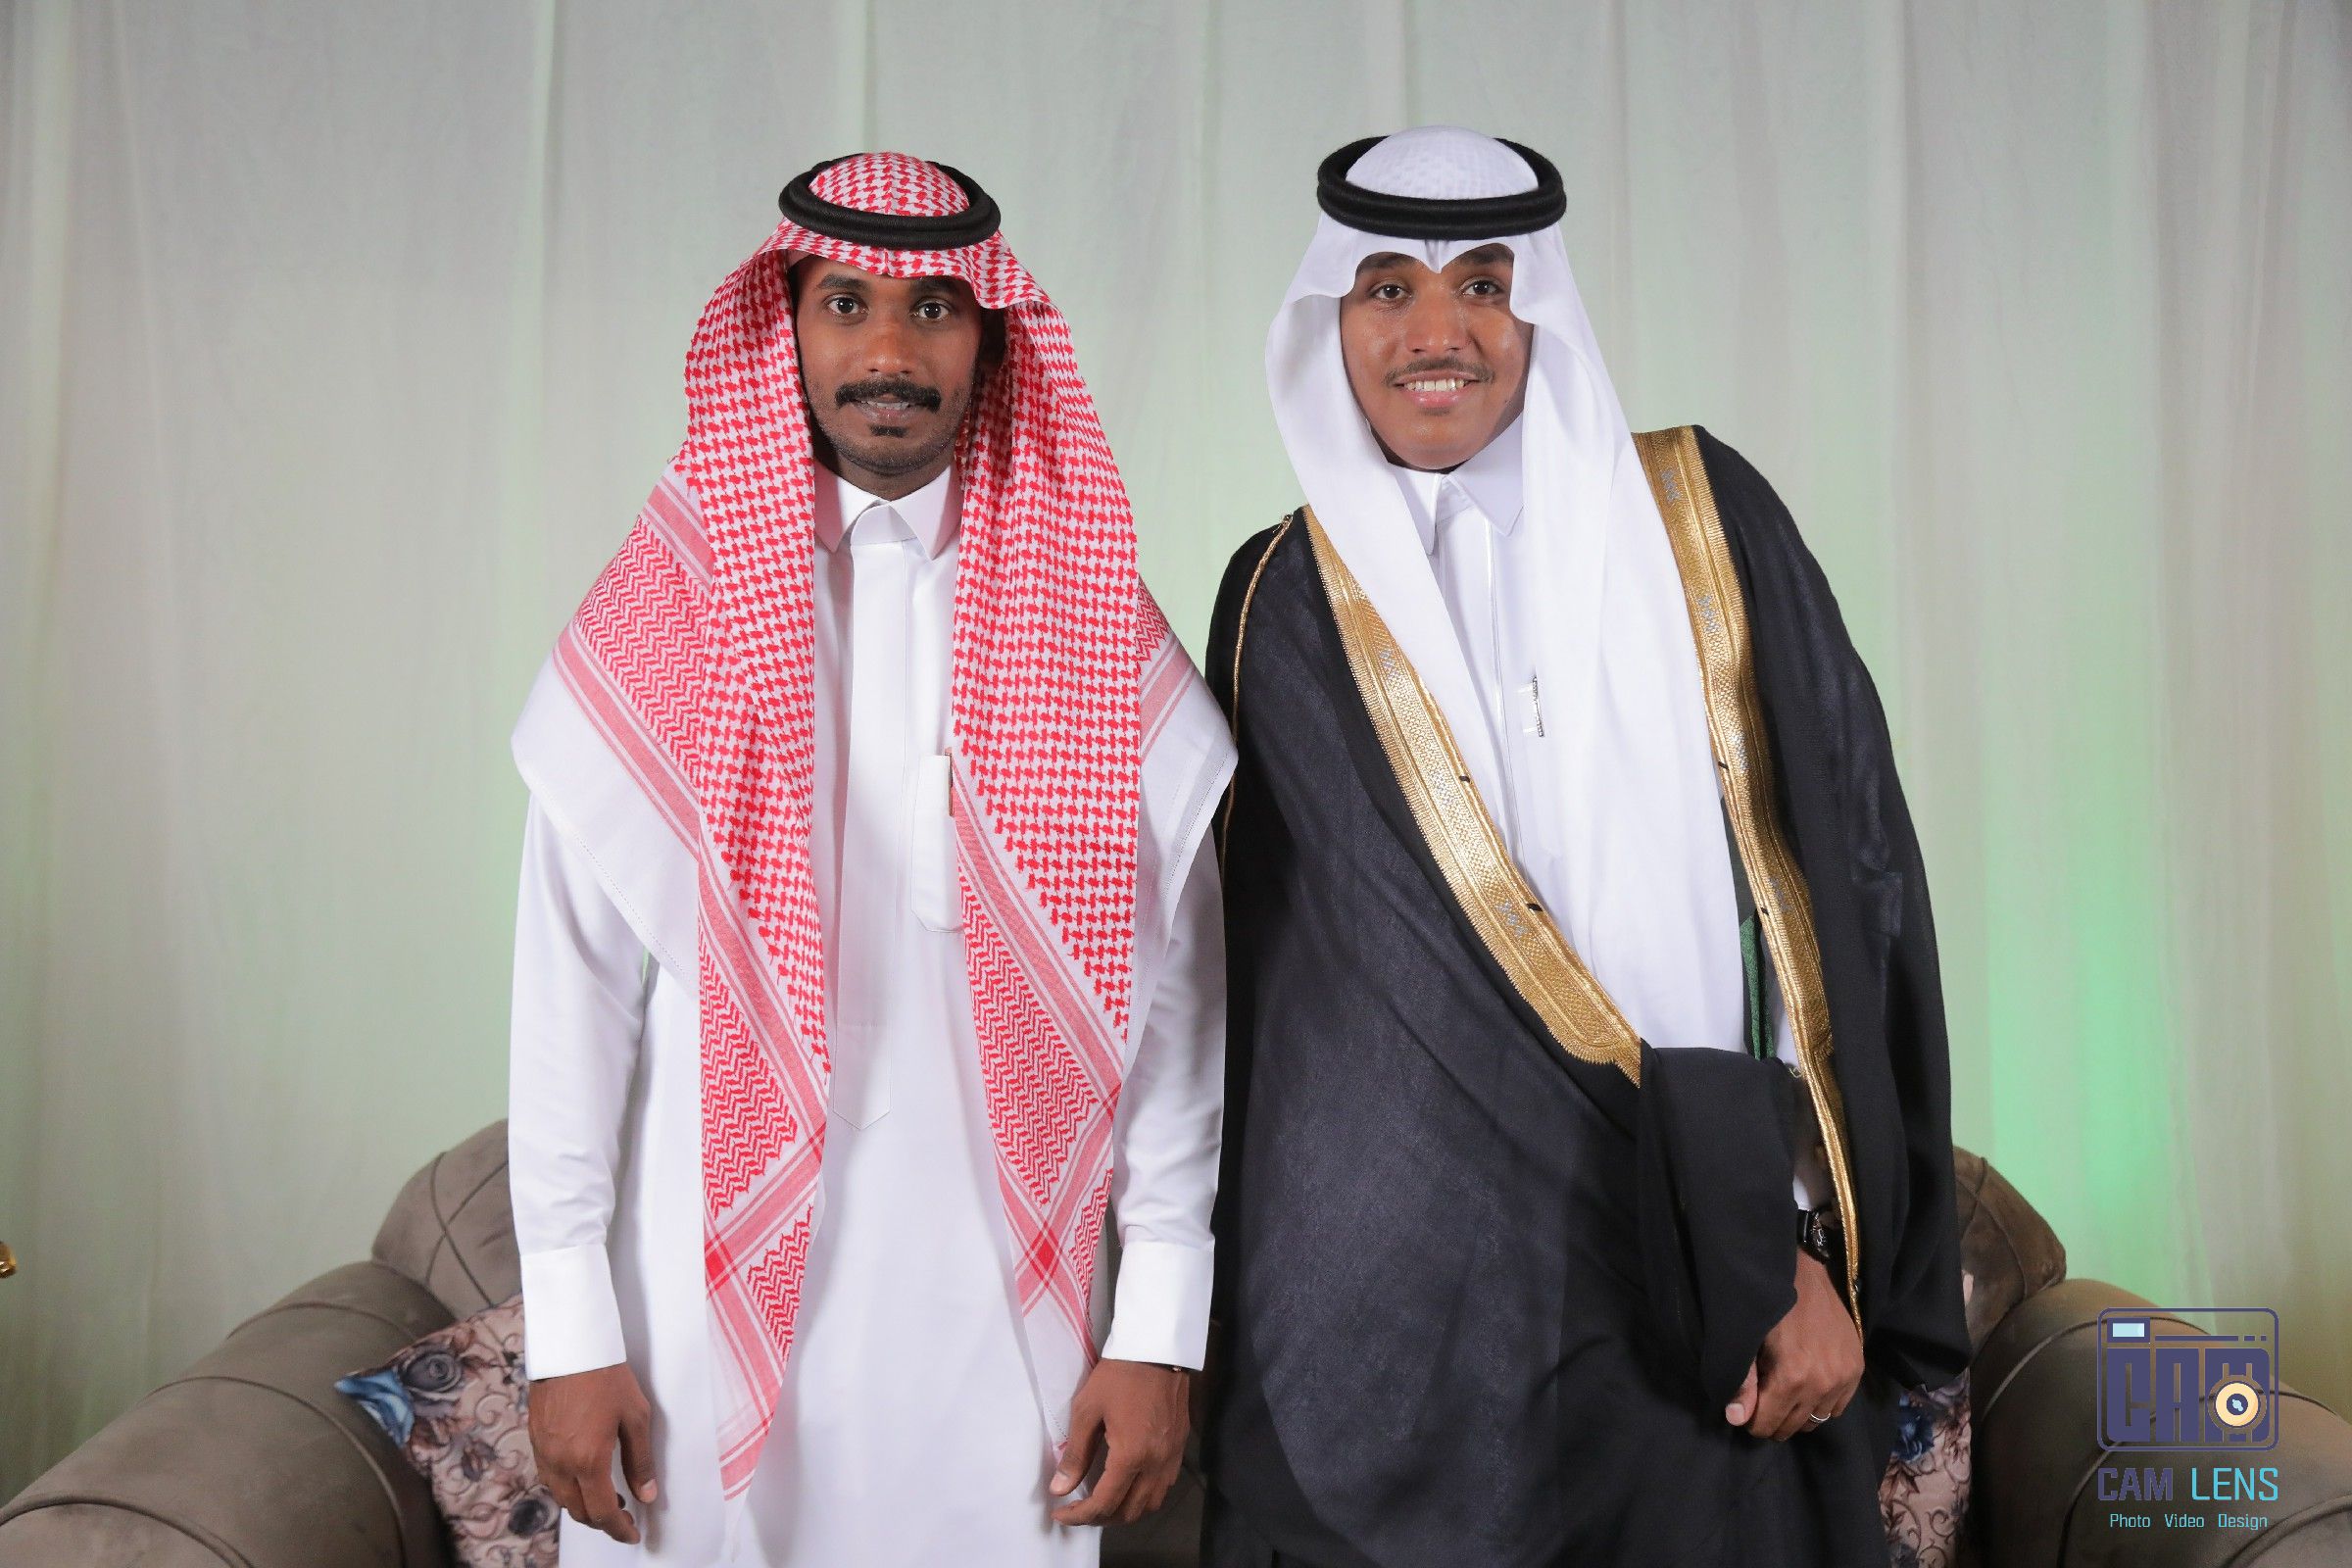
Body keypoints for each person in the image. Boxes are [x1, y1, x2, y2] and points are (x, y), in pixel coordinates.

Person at [1201, 126, 1970, 1566]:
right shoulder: (1279, 601)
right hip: (1417, 1323)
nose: (1439, 332)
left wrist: (1796, 1241)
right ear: (1331, 321)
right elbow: (1283, 1019)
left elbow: (1845, 886)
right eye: (1387, 288)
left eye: (1485, 286)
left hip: (1710, 1286)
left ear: (1539, 309)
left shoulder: (1702, 524)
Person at [506, 151, 1234, 1566]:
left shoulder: (1088, 612)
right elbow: (571, 997)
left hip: (1000, 1333)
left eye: (935, 309)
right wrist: (571, 1333)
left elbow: (1178, 1009)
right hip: (692, 1314)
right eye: (847, 303)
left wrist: (1158, 1326)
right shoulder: (670, 604)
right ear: (784, 324)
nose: (889, 350)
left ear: (991, 341)